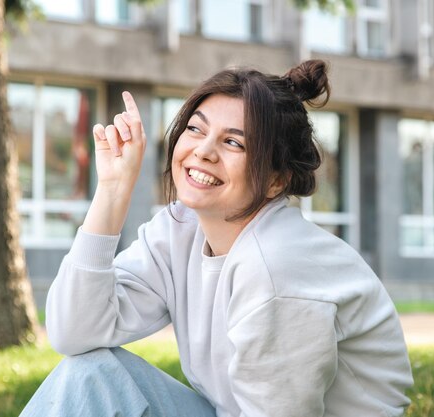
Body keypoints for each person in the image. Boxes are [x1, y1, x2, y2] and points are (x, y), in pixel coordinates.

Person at [20, 59, 413, 417]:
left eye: (233, 142)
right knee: (90, 374)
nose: (203, 151)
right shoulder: (180, 228)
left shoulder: (275, 268)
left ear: (276, 180)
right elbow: (74, 332)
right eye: (195, 128)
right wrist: (112, 189)